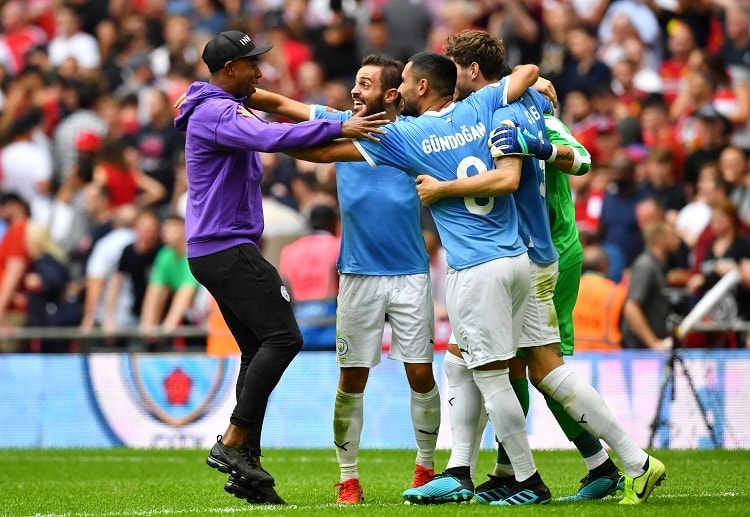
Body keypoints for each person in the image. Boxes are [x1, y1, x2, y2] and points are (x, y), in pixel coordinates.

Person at [406, 30, 667, 506]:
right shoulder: (526, 102)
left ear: (473, 73)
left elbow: (580, 158)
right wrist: (537, 82)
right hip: (529, 253)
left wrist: (540, 147)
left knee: (505, 365)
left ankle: (517, 475)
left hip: (526, 254)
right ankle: (619, 463)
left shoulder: (501, 113)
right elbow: (527, 82)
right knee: (517, 365)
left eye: (453, 67)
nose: (447, 76)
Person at [289, 51, 550, 506]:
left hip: (429, 272)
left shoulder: (407, 134)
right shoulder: (364, 123)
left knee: (442, 374)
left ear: (402, 90)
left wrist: (256, 137)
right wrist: (246, 113)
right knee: (371, 377)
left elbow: (318, 147)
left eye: (367, 83)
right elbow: (296, 121)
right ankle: (356, 477)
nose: (355, 90)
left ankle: (444, 469)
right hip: (367, 274)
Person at [173, 29, 388, 506]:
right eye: (252, 63)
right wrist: (339, 127)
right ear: (230, 70)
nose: (260, 70)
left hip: (215, 248)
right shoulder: (218, 111)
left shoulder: (219, 107)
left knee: (256, 349)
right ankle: (233, 442)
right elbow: (269, 137)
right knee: (284, 338)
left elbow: (271, 128)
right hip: (227, 247)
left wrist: (335, 133)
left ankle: (249, 468)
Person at [621, 220, 682, 350]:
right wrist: (653, 343)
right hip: (639, 350)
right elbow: (631, 307)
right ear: (660, 240)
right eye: (673, 235)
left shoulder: (658, 265)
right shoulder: (646, 265)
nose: (678, 240)